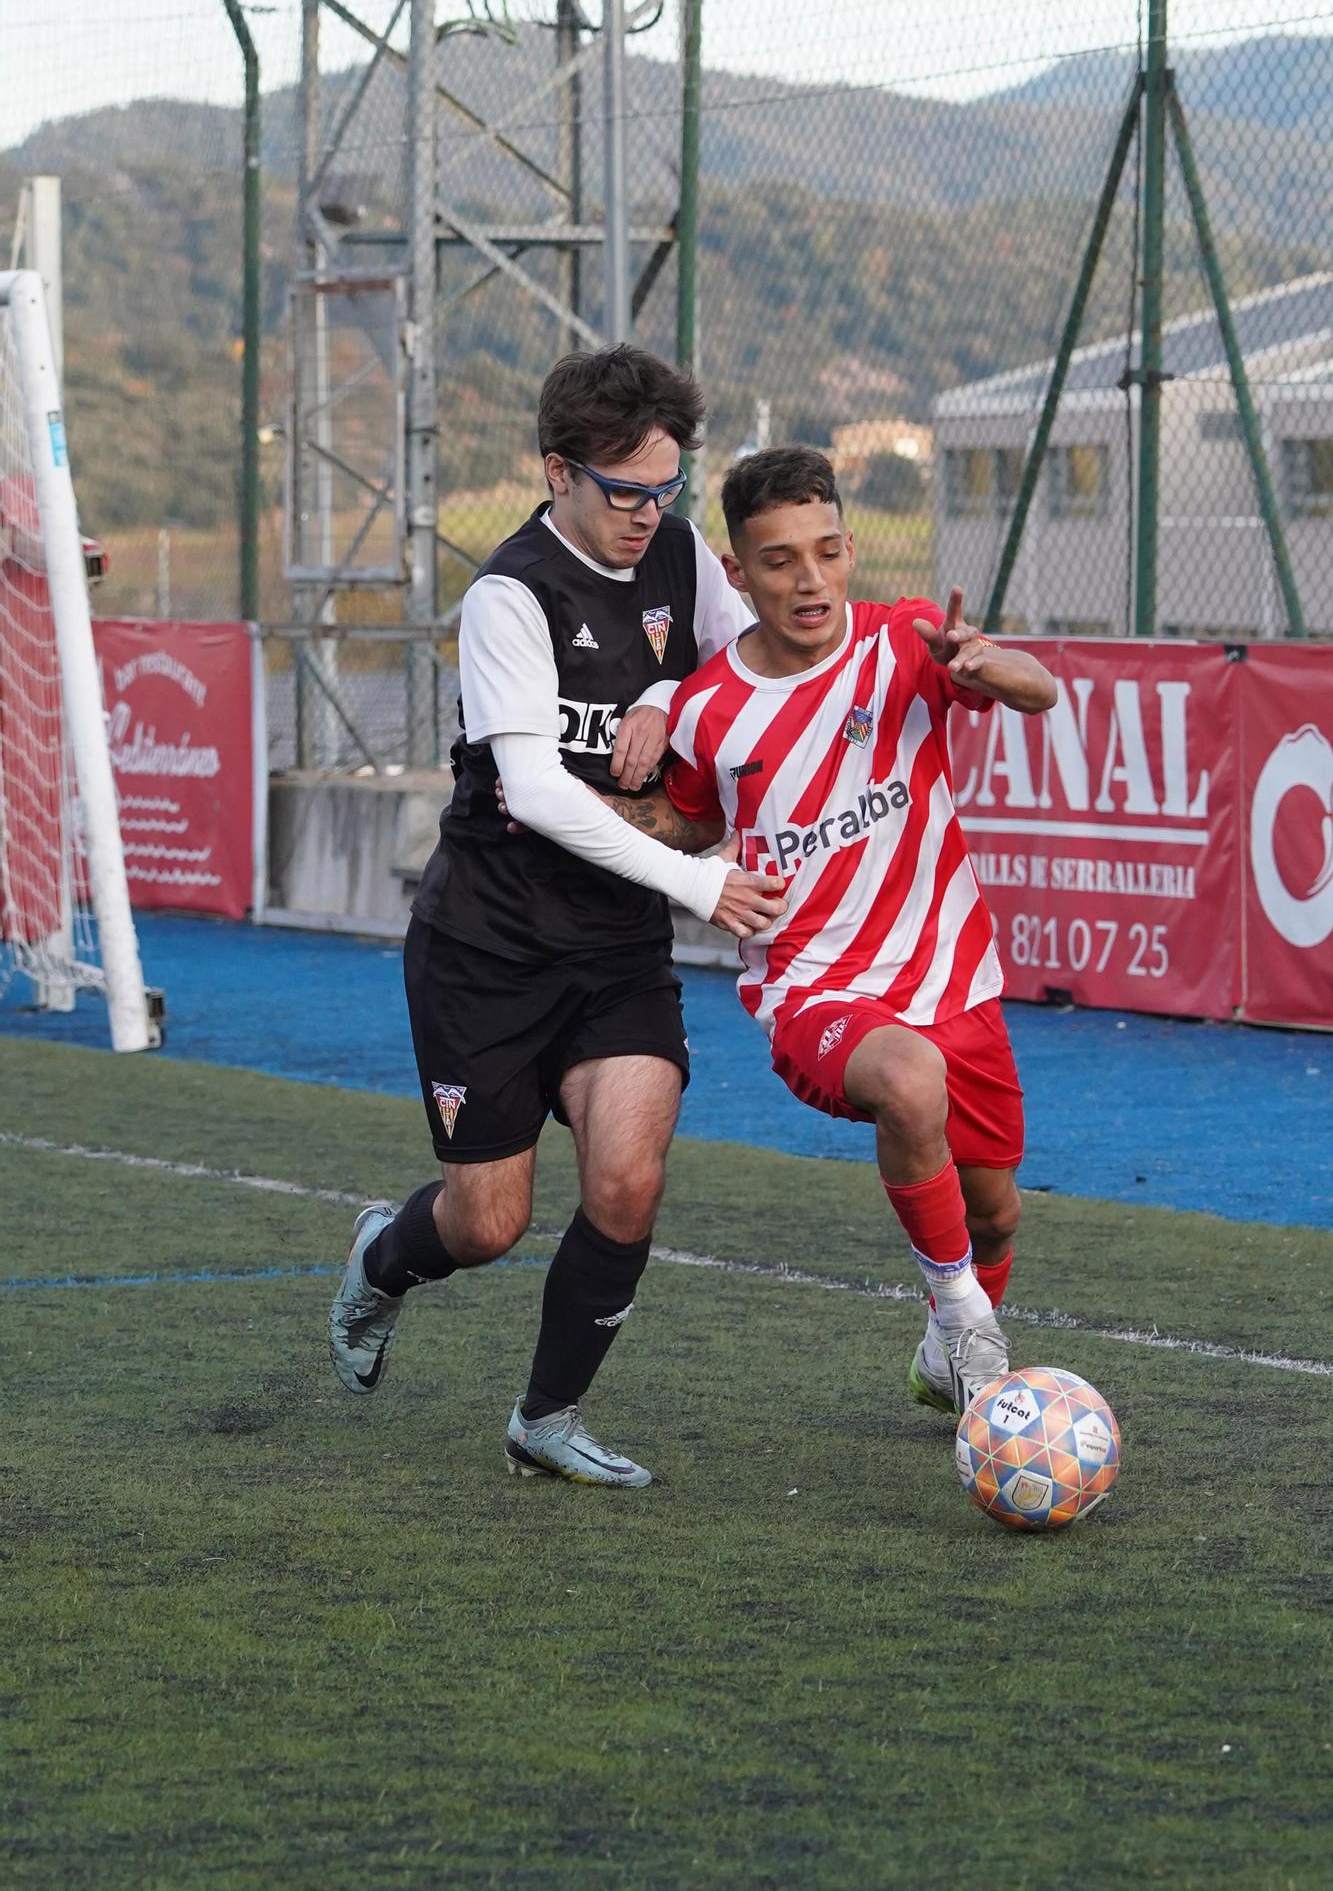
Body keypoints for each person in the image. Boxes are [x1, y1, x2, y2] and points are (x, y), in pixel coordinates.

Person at [328, 345, 785, 1487]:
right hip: (487, 945)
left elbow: (745, 658)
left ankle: (546, 1417)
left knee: (628, 1177)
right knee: (488, 1222)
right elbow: (533, 793)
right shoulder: (508, 595)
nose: (647, 514)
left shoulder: (680, 552)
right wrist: (698, 884)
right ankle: (382, 1259)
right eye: (623, 491)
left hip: (614, 948)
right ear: (557, 472)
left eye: (664, 488)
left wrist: (671, 690)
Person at [614, 445, 1058, 1415]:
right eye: (777, 560)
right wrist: (582, 810)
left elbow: (1039, 691)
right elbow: (690, 817)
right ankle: (968, 1331)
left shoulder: (909, 641)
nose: (807, 578)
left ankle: (946, 1352)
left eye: (825, 550)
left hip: (952, 980)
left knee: (995, 1212)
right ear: (737, 573)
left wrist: (983, 660)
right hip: (811, 988)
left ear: (850, 547)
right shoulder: (706, 708)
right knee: (906, 1082)